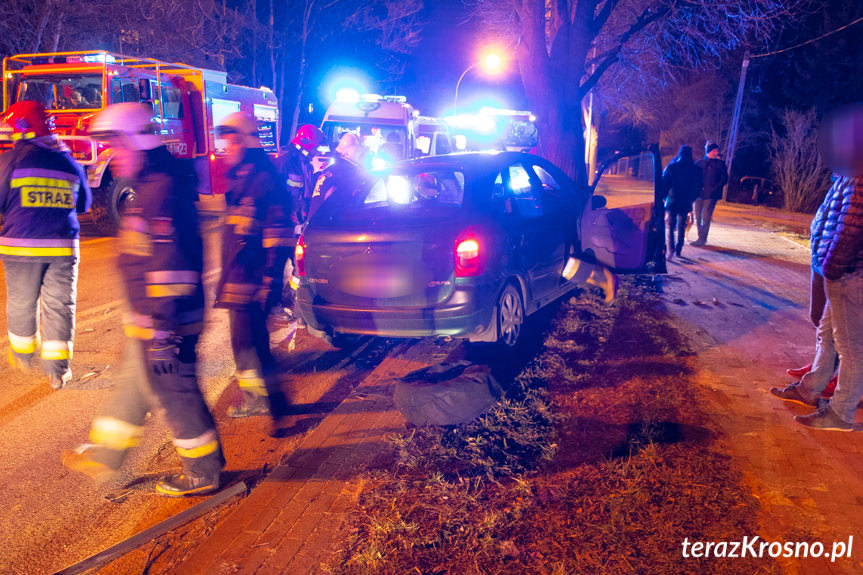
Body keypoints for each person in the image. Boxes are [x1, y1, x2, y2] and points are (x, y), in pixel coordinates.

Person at [62, 103, 224, 496]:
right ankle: (107, 454)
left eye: (116, 145)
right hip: (151, 318)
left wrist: (163, 332)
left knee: (175, 389)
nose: (111, 157)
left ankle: (202, 471)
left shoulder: (160, 191)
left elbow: (171, 266)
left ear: (138, 141)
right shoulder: (149, 185)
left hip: (166, 319)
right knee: (138, 381)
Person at [0, 100, 91, 389]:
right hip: (63, 248)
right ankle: (58, 372)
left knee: (21, 301)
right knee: (60, 306)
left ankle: (23, 356)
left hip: (20, 247)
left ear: (21, 131)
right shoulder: (67, 161)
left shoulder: (10, 161)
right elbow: (85, 203)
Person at [214, 112, 292, 423]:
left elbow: (279, 236)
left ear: (246, 141)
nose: (225, 147)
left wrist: (269, 283)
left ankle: (273, 403)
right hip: (239, 280)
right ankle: (265, 399)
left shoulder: (264, 180)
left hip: (253, 283)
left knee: (254, 347)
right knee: (247, 346)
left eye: (230, 140)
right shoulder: (241, 178)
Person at [272, 124, 324, 323]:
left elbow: (305, 195)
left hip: (296, 227)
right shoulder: (285, 162)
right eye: (315, 146)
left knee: (298, 266)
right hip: (282, 226)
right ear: (308, 143)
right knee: (276, 267)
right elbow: (277, 195)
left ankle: (289, 299)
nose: (316, 150)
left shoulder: (305, 164)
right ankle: (275, 306)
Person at [662, 145, 701, 259]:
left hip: (673, 199)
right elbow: (698, 186)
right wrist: (692, 198)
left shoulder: (672, 167)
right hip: (686, 200)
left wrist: (664, 197)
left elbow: (664, 183)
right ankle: (679, 249)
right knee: (681, 225)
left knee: (671, 225)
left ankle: (671, 250)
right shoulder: (696, 169)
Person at [692, 141, 728, 246]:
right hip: (698, 194)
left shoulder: (720, 164)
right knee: (697, 217)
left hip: (711, 195)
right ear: (711, 151)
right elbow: (693, 177)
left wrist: (714, 188)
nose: (717, 152)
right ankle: (700, 237)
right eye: (715, 150)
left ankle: (702, 239)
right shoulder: (699, 163)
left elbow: (724, 179)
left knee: (706, 217)